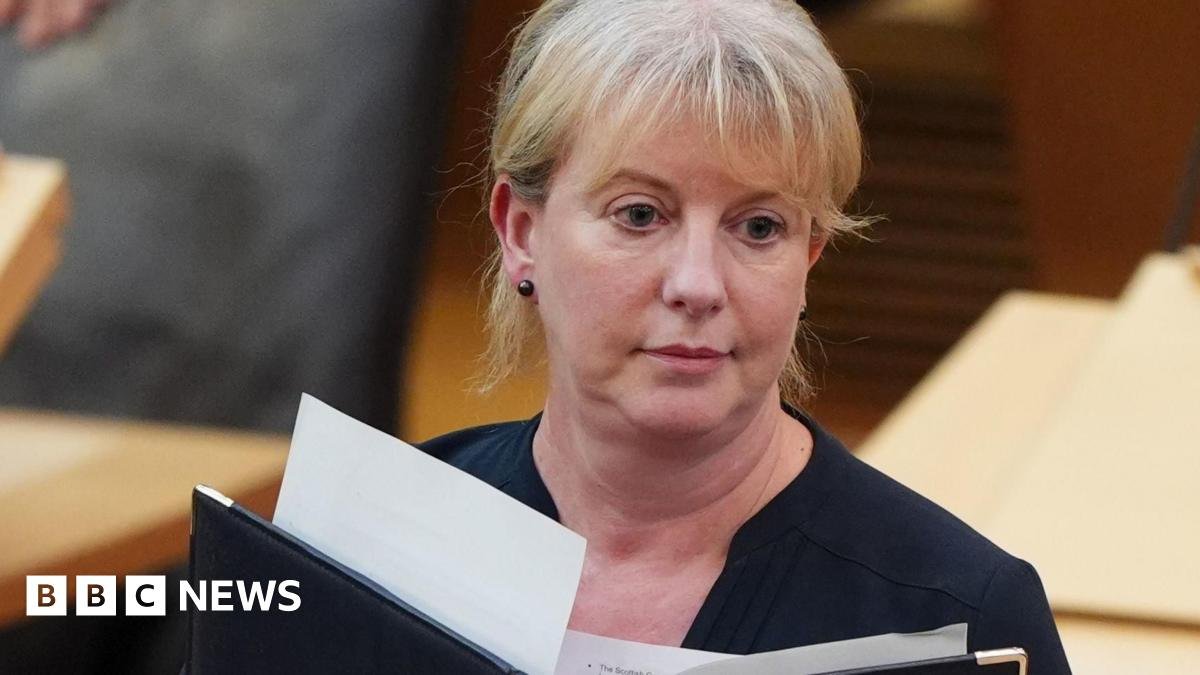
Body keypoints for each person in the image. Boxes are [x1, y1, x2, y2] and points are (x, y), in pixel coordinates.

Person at [421, 0, 1071, 672]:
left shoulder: (959, 622)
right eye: (640, 214)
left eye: (759, 227)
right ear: (521, 233)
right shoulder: (380, 541)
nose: (698, 285)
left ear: (810, 256)